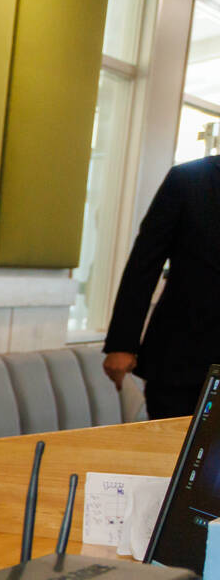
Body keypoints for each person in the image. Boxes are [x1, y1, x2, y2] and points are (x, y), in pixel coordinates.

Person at [102, 153, 220, 420]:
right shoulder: (188, 179)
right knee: (172, 445)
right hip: (180, 361)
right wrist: (122, 343)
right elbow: (144, 264)